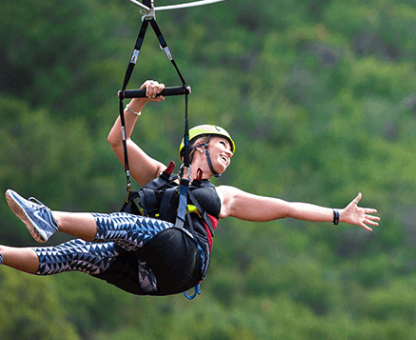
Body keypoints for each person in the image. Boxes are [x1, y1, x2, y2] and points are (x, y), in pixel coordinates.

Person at [1, 80, 379, 296]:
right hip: (147, 274)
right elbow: (117, 141)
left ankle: (47, 218)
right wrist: (138, 101)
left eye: (231, 152)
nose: (228, 155)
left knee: (129, 225)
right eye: (222, 146)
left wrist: (337, 215)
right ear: (197, 146)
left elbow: (285, 206)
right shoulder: (160, 175)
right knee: (75, 254)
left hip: (185, 259)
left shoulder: (224, 196)